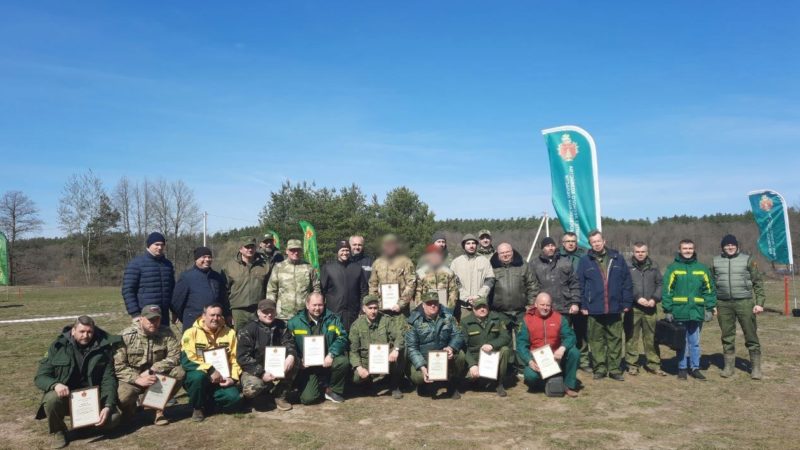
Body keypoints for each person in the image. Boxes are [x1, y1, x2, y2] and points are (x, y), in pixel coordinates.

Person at [34, 316, 121, 448]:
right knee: (51, 399)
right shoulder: (58, 347)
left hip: (92, 400)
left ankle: (84, 429)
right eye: (82, 331)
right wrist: (55, 385)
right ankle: (58, 431)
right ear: (73, 331)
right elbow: (41, 376)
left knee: (114, 418)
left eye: (89, 332)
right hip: (66, 398)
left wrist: (108, 405)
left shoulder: (103, 348)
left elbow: (108, 379)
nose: (86, 335)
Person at [576, 230, 633, 381]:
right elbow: (580, 284)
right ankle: (600, 368)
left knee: (615, 339)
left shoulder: (617, 258)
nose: (596, 244)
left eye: (598, 241)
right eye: (593, 242)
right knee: (596, 340)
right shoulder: (585, 261)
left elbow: (626, 282)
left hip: (615, 307)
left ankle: (614, 369)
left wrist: (627, 302)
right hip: (594, 307)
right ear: (590, 244)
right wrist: (583, 305)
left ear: (604, 241)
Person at [114, 305, 184, 425]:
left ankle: (158, 410)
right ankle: (130, 409)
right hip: (133, 380)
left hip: (157, 378)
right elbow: (118, 366)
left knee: (179, 372)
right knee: (123, 397)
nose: (154, 323)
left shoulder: (166, 333)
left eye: (157, 319)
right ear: (141, 319)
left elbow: (175, 357)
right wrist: (137, 379)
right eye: (150, 319)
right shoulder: (126, 336)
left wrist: (154, 369)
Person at [712, 234, 766, 380]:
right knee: (727, 336)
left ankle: (755, 368)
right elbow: (710, 285)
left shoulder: (748, 260)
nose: (730, 247)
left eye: (732, 245)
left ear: (737, 246)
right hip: (723, 303)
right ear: (722, 247)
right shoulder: (715, 261)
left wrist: (759, 303)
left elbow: (758, 282)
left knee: (750, 334)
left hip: (745, 302)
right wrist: (712, 304)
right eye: (727, 245)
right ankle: (729, 367)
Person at [662, 239, 717, 381]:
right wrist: (668, 310)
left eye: (690, 248)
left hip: (696, 312)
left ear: (694, 249)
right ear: (679, 250)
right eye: (685, 248)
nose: (688, 251)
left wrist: (709, 308)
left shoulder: (702, 268)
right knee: (681, 342)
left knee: (695, 342)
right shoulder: (673, 268)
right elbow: (667, 290)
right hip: (679, 311)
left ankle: (695, 368)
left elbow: (709, 290)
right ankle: (682, 368)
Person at [180, 303, 242, 422]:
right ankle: (197, 408)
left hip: (222, 378)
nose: (215, 318)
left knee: (234, 400)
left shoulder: (230, 333)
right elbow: (187, 359)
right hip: (200, 375)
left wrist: (233, 378)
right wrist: (210, 370)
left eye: (218, 315)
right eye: (212, 315)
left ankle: (206, 402)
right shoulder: (190, 333)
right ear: (204, 316)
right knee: (197, 377)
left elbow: (235, 359)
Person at [287, 293, 349, 404]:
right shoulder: (294, 322)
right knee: (308, 399)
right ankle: (316, 387)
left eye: (320, 305)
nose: (317, 308)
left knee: (342, 361)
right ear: (307, 305)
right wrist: (298, 360)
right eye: (314, 305)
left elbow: (342, 337)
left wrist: (331, 354)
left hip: (327, 361)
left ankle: (331, 390)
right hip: (307, 366)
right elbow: (289, 344)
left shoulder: (333, 318)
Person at [237, 299, 297, 411]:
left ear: (276, 312)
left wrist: (291, 355)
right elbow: (242, 357)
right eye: (265, 312)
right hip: (255, 369)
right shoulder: (248, 329)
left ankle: (280, 396)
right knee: (252, 388)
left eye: (272, 311)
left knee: (294, 361)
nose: (269, 314)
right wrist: (262, 373)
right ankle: (259, 396)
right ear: (258, 312)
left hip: (276, 366)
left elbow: (289, 343)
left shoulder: (282, 326)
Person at [516, 293, 580, 397]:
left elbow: (570, 336)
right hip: (537, 360)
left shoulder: (559, 318)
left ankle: (568, 385)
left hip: (557, 358)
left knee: (574, 352)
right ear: (536, 304)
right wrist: (529, 361)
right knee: (530, 377)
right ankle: (550, 382)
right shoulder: (527, 320)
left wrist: (562, 348)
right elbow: (521, 344)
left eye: (548, 305)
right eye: (542, 305)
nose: (545, 308)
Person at [406, 291, 466, 399]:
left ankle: (451, 384)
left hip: (443, 357)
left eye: (435, 303)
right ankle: (423, 384)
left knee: (460, 355)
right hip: (424, 358)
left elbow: (458, 334)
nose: (433, 305)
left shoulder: (448, 317)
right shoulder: (414, 321)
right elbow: (412, 347)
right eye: (429, 303)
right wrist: (422, 366)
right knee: (418, 377)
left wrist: (451, 347)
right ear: (423, 305)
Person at [348, 295, 405, 399]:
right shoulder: (356, 326)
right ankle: (368, 383)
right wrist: (359, 368)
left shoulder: (386, 320)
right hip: (366, 361)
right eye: (370, 308)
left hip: (385, 359)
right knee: (356, 377)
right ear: (364, 309)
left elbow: (399, 336)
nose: (373, 311)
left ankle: (394, 385)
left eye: (375, 308)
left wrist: (396, 350)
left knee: (400, 351)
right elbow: (353, 351)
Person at [624, 242, 665, 376]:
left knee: (651, 337)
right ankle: (632, 364)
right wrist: (636, 297)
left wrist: (655, 298)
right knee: (631, 337)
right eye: (637, 251)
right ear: (633, 252)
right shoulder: (627, 265)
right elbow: (624, 284)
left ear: (647, 252)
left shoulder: (654, 265)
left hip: (650, 308)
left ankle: (654, 364)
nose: (640, 254)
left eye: (642, 251)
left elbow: (660, 284)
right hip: (633, 307)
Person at [461, 297, 512, 397]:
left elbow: (506, 337)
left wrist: (492, 345)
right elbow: (463, 345)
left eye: (484, 306)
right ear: (473, 309)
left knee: (505, 350)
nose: (482, 309)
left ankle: (499, 383)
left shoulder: (497, 319)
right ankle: (474, 381)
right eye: (479, 307)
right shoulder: (465, 322)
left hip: (492, 357)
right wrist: (472, 364)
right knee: (471, 376)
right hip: (475, 358)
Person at [172, 246, 230, 331]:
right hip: (193, 322)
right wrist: (186, 317)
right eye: (204, 257)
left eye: (209, 257)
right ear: (196, 259)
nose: (207, 259)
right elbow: (177, 302)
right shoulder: (186, 277)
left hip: (214, 322)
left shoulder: (217, 277)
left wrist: (226, 314)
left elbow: (223, 298)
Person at [122, 232, 175, 324]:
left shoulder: (167, 264)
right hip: (145, 315)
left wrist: (175, 311)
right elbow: (128, 290)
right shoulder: (136, 264)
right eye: (156, 244)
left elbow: (172, 289)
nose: (160, 247)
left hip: (164, 315)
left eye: (162, 245)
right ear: (149, 245)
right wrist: (135, 313)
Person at [220, 237, 270, 331]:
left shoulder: (265, 265)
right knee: (237, 337)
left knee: (258, 336)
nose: (250, 249)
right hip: (237, 311)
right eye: (247, 247)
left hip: (258, 310)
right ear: (240, 249)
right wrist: (227, 313)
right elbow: (223, 292)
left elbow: (269, 289)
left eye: (252, 247)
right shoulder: (229, 267)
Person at [558, 232, 590, 371]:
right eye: (568, 241)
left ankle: (583, 360)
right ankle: (564, 359)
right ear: (563, 243)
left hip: (580, 300)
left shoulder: (584, 257)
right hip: (562, 301)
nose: (571, 243)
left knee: (581, 332)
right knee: (563, 333)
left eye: (573, 241)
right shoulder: (557, 256)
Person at [489, 243, 539, 332]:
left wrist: (531, 305)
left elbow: (532, 285)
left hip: (521, 312)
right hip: (499, 313)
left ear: (512, 252)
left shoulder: (523, 265)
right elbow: (487, 287)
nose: (505, 255)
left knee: (523, 337)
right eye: (502, 253)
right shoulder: (491, 267)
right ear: (497, 254)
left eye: (507, 252)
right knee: (503, 339)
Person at [267, 239, 321, 320]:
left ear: (301, 251)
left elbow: (316, 288)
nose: (295, 253)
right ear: (287, 251)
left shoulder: (308, 268)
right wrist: (271, 309)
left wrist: (314, 308)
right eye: (292, 250)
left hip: (304, 316)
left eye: (298, 250)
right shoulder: (278, 267)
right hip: (283, 316)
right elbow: (271, 290)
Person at [530, 237, 580, 324]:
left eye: (552, 245)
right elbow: (532, 287)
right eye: (547, 246)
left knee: (565, 331)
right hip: (544, 308)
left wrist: (575, 303)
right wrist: (533, 304)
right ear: (542, 248)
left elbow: (574, 283)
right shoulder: (534, 264)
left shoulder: (565, 262)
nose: (550, 248)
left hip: (564, 307)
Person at [320, 240, 368, 330]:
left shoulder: (357, 268)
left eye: (347, 250)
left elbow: (364, 290)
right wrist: (322, 310)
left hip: (353, 313)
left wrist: (362, 309)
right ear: (337, 252)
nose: (345, 253)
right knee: (335, 336)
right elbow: (321, 291)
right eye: (342, 250)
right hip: (334, 312)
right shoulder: (328, 268)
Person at [368, 234, 416, 317]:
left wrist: (401, 304)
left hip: (401, 311)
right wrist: (375, 303)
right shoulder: (377, 263)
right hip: (381, 310)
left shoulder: (406, 262)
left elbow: (411, 283)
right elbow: (373, 285)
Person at [450, 233, 495, 320]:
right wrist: (466, 297)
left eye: (473, 243)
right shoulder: (456, 262)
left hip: (481, 305)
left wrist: (479, 296)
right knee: (463, 327)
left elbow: (490, 280)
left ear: (476, 245)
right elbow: (454, 282)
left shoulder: (484, 261)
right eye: (468, 243)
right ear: (464, 246)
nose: (471, 246)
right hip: (463, 307)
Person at [415, 244, 459, 311]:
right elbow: (417, 292)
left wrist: (449, 309)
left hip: (444, 309)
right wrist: (421, 309)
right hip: (426, 309)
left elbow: (453, 291)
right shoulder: (421, 272)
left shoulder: (449, 272)